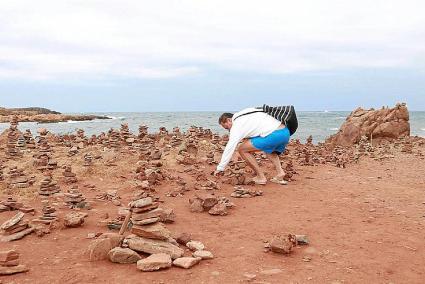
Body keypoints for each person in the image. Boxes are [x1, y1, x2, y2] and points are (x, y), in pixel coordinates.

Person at [214, 107, 290, 185]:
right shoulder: (244, 113)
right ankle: (280, 173)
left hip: (273, 135)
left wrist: (220, 168)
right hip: (285, 132)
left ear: (229, 120)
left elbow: (230, 147)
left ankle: (261, 177)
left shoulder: (236, 125)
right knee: (270, 150)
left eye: (227, 128)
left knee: (242, 149)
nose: (229, 130)